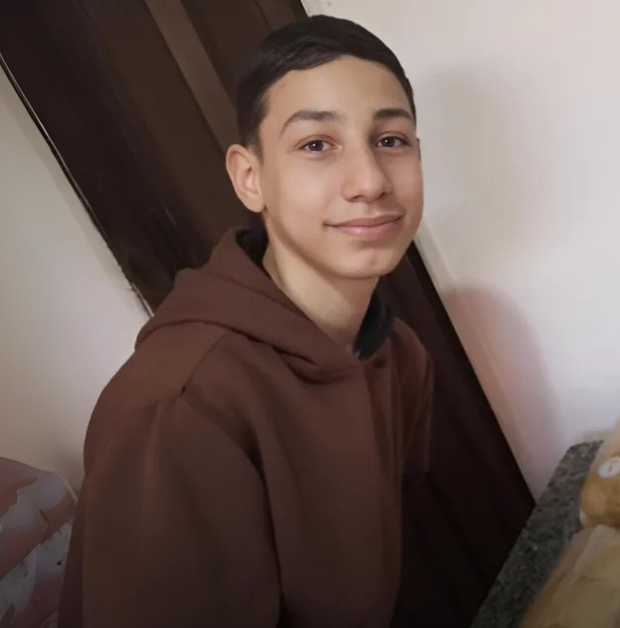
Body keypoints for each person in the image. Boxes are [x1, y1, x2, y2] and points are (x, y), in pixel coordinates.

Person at [59, 16, 433, 628]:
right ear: (250, 178)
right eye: (317, 145)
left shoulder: (398, 353)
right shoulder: (179, 409)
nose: (370, 181)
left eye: (391, 140)